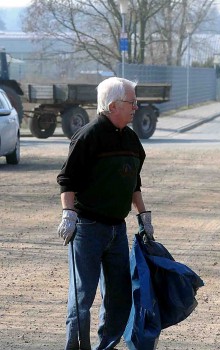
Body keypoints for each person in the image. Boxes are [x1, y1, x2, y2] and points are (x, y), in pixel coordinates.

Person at [56, 77, 155, 350]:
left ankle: (106, 346)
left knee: (118, 297)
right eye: (132, 103)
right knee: (82, 297)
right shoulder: (87, 137)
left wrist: (144, 216)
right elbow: (67, 180)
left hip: (117, 230)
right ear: (113, 106)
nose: (136, 108)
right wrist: (68, 214)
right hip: (87, 229)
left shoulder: (133, 140)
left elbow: (133, 182)